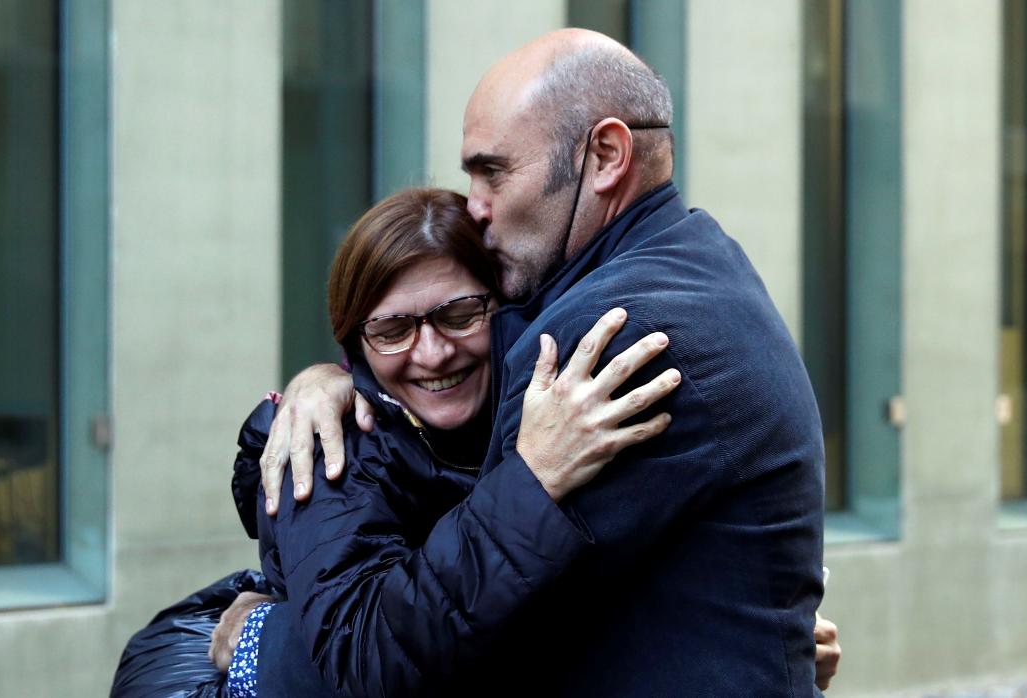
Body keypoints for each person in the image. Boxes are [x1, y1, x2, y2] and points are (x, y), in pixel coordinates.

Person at [230, 29, 833, 696]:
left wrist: (260, 640)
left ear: (605, 155)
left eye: (492, 171)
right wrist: (324, 383)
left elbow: (470, 656)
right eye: (393, 329)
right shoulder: (699, 261)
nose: (475, 204)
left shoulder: (605, 336)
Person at [212, 188, 679, 697]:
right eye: (392, 330)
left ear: (504, 305)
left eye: (458, 316)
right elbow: (369, 657)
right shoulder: (330, 448)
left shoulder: (523, 408)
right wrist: (534, 480)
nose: (432, 354)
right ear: (355, 341)